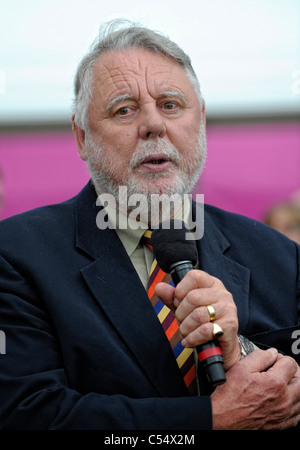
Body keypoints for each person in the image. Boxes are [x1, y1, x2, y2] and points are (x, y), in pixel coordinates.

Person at [0, 19, 299, 431]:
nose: (154, 125)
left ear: (202, 120)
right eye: (124, 109)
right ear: (82, 136)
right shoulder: (16, 255)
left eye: (171, 105)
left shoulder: (280, 256)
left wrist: (239, 352)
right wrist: (211, 420)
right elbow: (29, 415)